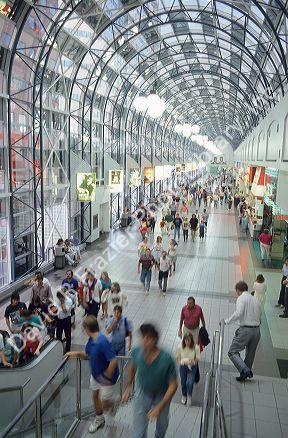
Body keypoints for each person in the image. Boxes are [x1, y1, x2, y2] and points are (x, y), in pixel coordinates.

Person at [122, 323, 178, 438]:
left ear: (155, 339)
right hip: (142, 392)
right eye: (143, 337)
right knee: (138, 429)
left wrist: (160, 406)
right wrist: (128, 386)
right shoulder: (136, 352)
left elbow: (173, 385)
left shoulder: (167, 359)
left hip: (161, 394)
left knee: (162, 424)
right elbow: (132, 367)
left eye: (149, 338)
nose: (145, 341)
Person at [65, 316, 120, 432]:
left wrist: (107, 377)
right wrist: (74, 353)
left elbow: (113, 360)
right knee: (95, 396)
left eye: (84, 328)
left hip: (106, 379)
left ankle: (112, 403)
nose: (83, 330)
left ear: (88, 328)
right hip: (95, 375)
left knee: (104, 404)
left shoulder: (102, 341)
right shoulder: (91, 340)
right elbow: (87, 354)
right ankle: (99, 419)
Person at [225, 281, 261, 382]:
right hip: (257, 330)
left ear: (238, 290)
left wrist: (227, 321)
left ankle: (245, 370)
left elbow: (238, 313)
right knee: (250, 353)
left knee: (232, 352)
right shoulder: (256, 299)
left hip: (246, 330)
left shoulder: (241, 298)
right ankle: (245, 372)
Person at [175, 333, 200, 406]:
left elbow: (198, 358)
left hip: (192, 367)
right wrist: (180, 362)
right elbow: (177, 357)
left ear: (191, 340)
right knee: (183, 382)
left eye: (189, 340)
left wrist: (194, 361)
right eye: (186, 340)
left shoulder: (196, 347)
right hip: (183, 367)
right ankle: (184, 395)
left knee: (190, 382)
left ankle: (189, 395)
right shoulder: (180, 347)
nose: (187, 342)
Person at [55, 289, 73, 353]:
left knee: (68, 335)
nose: (59, 299)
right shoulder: (58, 299)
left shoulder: (69, 301)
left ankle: (68, 349)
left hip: (66, 319)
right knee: (58, 335)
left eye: (60, 298)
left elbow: (65, 311)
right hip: (59, 320)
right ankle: (59, 348)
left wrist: (62, 302)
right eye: (58, 298)